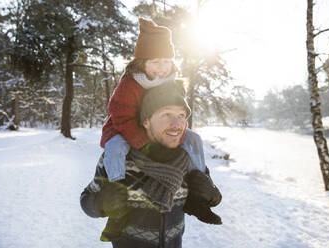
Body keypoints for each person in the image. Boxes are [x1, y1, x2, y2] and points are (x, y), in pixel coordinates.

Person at [80, 81, 222, 248]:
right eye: (166, 115)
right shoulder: (119, 159)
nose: (176, 125)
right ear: (146, 121)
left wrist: (212, 194)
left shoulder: (188, 158)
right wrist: (100, 203)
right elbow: (86, 200)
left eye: (181, 116)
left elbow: (209, 197)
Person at [100, 17, 205, 182]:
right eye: (155, 62)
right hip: (126, 128)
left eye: (166, 62)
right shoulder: (130, 84)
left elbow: (179, 114)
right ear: (141, 63)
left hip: (159, 128)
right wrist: (143, 142)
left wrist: (175, 134)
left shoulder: (173, 83)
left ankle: (199, 181)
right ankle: (115, 183)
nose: (162, 68)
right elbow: (121, 116)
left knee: (194, 140)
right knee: (115, 147)